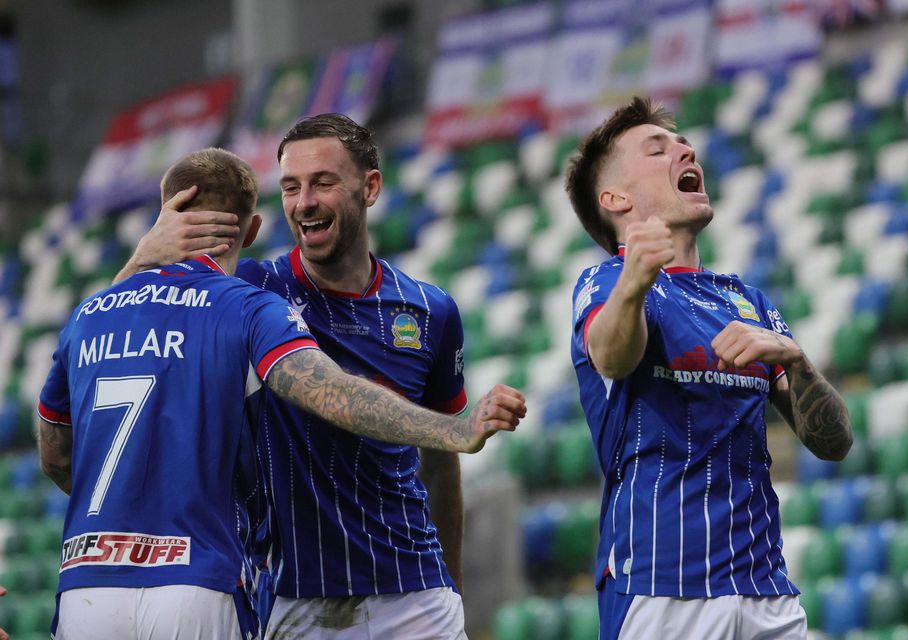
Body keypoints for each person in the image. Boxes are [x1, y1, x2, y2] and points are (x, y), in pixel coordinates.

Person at [38, 148, 526, 640]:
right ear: (250, 233)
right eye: (291, 187)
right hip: (201, 582)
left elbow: (56, 455)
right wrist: (455, 429)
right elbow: (332, 392)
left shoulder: (90, 315)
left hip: (87, 585)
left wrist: (141, 257)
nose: (304, 202)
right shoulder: (248, 302)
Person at [564, 96, 853, 639]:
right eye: (658, 148)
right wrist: (635, 280)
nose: (684, 149)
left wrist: (798, 360)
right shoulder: (604, 284)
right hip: (663, 591)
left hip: (768, 592)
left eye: (682, 144)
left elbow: (833, 443)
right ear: (616, 198)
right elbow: (612, 354)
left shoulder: (748, 300)